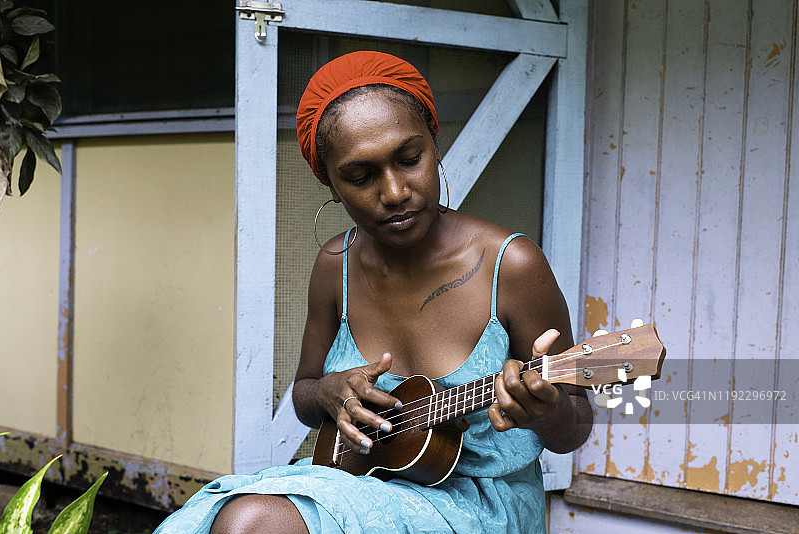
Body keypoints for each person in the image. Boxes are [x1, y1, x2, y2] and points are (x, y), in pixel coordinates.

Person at [154, 50, 592, 534]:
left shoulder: (512, 265)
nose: (395, 192)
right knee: (227, 518)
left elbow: (574, 426)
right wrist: (329, 391)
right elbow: (304, 396)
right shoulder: (334, 265)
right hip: (359, 481)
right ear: (331, 184)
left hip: (482, 504)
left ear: (434, 144)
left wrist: (547, 412)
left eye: (410, 159)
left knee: (250, 522)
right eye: (360, 177)